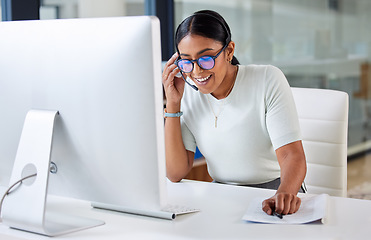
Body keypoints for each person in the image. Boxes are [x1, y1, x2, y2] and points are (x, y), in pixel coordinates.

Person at [162, 10, 307, 216]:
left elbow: (292, 155)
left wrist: (284, 193)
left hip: (276, 191)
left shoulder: (267, 79)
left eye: (206, 58)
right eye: (186, 61)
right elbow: (175, 173)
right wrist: (173, 105)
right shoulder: (187, 94)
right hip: (222, 196)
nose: (196, 72)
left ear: (229, 51)